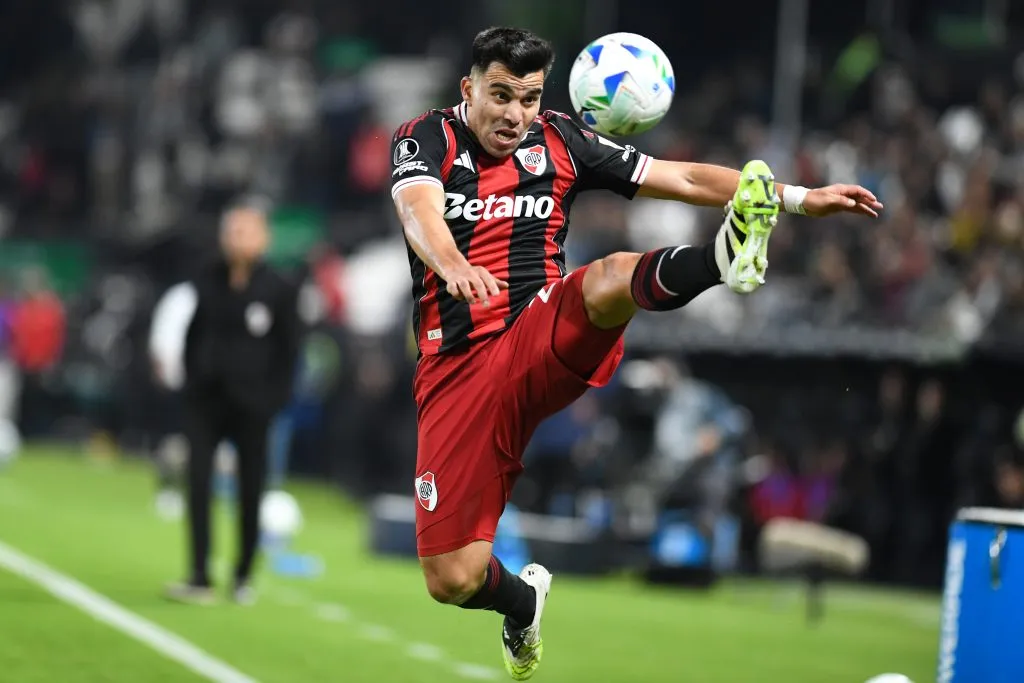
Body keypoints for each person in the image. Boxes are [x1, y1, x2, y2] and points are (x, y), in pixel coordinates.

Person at [390, 26, 882, 680]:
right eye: (501, 95)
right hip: (456, 371)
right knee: (451, 576)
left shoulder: (563, 139)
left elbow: (672, 175)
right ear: (469, 87)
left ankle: (721, 259)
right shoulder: (424, 138)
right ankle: (522, 601)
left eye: (529, 99)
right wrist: (451, 261)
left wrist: (794, 197)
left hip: (537, 335)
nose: (514, 114)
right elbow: (417, 206)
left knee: (606, 275)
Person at [164, 203, 301, 605]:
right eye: (231, 231)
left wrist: (274, 401)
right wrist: (191, 383)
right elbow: (194, 333)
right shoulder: (207, 277)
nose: (235, 239)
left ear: (263, 239)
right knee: (199, 484)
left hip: (254, 405)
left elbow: (290, 351)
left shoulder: (279, 287)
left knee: (250, 490)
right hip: (206, 400)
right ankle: (199, 574)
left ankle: (242, 575)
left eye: (245, 231)